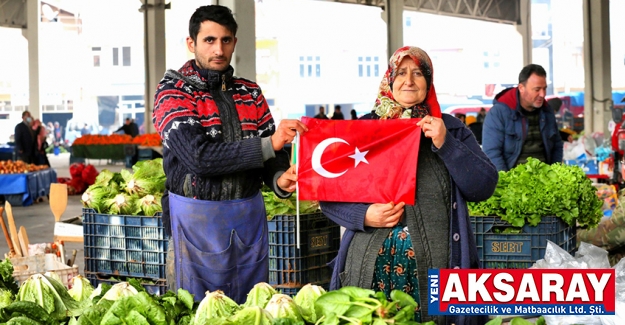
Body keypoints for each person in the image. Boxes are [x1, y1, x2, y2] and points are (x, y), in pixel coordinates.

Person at [319, 46, 497, 324]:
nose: (409, 80)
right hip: (369, 271)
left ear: (428, 81)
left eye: (417, 73)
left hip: (438, 274)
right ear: (390, 79)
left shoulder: (450, 128)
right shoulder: (364, 129)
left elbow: (484, 186)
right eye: (401, 73)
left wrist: (445, 144)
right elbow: (327, 194)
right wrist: (362, 215)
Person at [151, 5, 307, 304]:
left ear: (234, 42)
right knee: (197, 310)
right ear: (191, 43)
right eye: (209, 40)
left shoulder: (250, 92)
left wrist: (279, 179)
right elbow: (198, 158)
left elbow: (272, 157)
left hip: (248, 219)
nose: (218, 49)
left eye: (226, 40)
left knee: (250, 308)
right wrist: (268, 145)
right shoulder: (174, 92)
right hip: (196, 221)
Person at [482, 64, 563, 171]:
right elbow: (492, 153)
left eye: (544, 89)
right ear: (521, 88)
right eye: (537, 89)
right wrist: (507, 183)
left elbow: (557, 145)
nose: (542, 94)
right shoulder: (498, 113)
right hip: (512, 182)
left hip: (545, 182)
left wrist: (554, 174)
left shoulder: (547, 111)